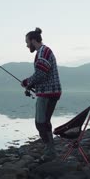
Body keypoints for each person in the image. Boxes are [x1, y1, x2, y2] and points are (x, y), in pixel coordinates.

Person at [21, 27, 62, 161]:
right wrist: (30, 85)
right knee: (45, 122)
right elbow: (42, 74)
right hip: (51, 92)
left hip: (48, 94)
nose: (27, 45)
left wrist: (27, 82)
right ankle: (50, 151)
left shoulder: (42, 52)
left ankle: (50, 152)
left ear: (33, 40)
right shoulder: (44, 51)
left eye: (27, 42)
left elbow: (40, 73)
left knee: (40, 123)